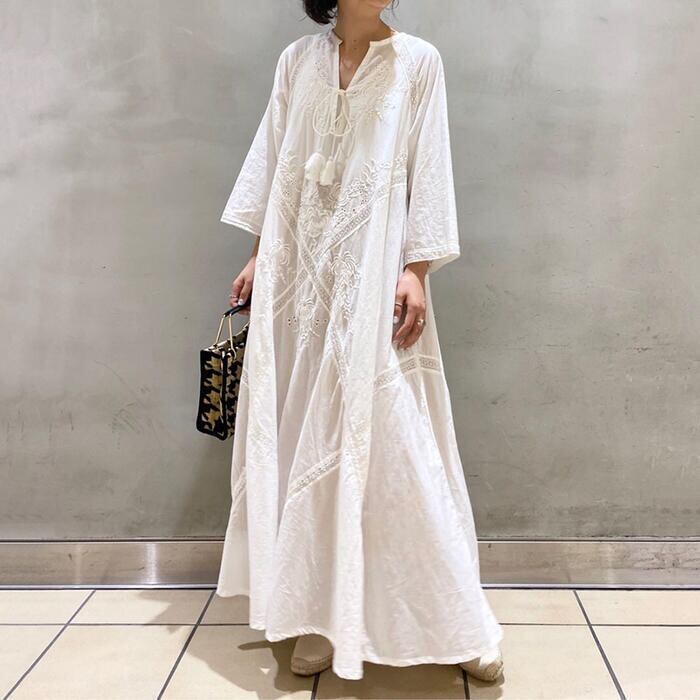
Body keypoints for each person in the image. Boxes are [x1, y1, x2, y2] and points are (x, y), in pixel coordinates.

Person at [216, 0, 505, 683]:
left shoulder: (417, 63)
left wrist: (417, 270)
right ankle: (318, 612)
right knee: (306, 434)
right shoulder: (298, 61)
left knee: (393, 436)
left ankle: (458, 621)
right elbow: (276, 160)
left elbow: (429, 168)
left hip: (373, 270)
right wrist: (259, 255)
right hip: (298, 273)